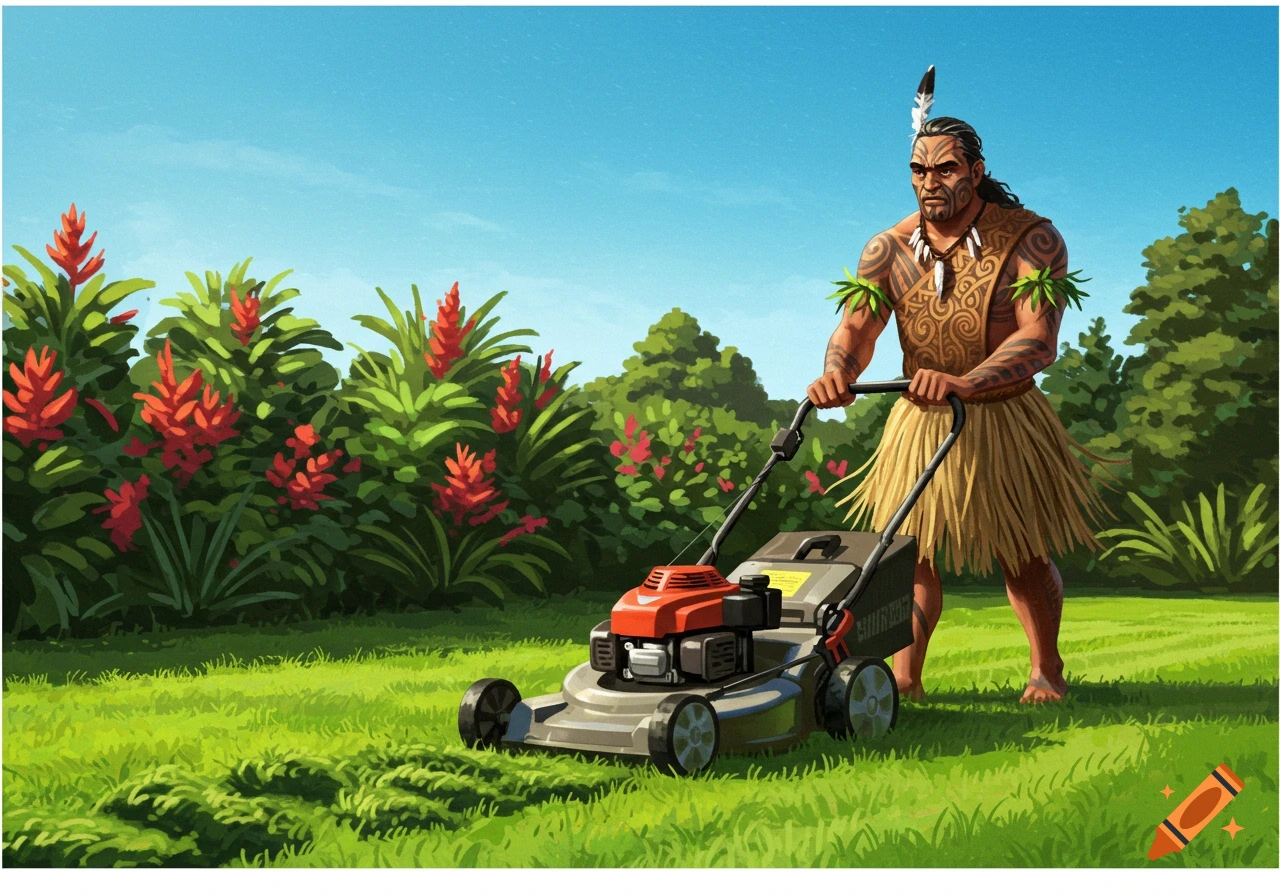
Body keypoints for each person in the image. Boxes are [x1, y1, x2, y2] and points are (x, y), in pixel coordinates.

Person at [807, 69, 1108, 704]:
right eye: (919, 170)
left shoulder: (1030, 238)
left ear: (975, 168)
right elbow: (856, 329)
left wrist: (967, 381)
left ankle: (1046, 671)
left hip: (1003, 418)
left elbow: (1038, 340)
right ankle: (907, 679)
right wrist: (838, 371)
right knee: (910, 556)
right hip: (920, 421)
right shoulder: (887, 248)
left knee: (1023, 553)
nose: (929, 182)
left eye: (944, 169)